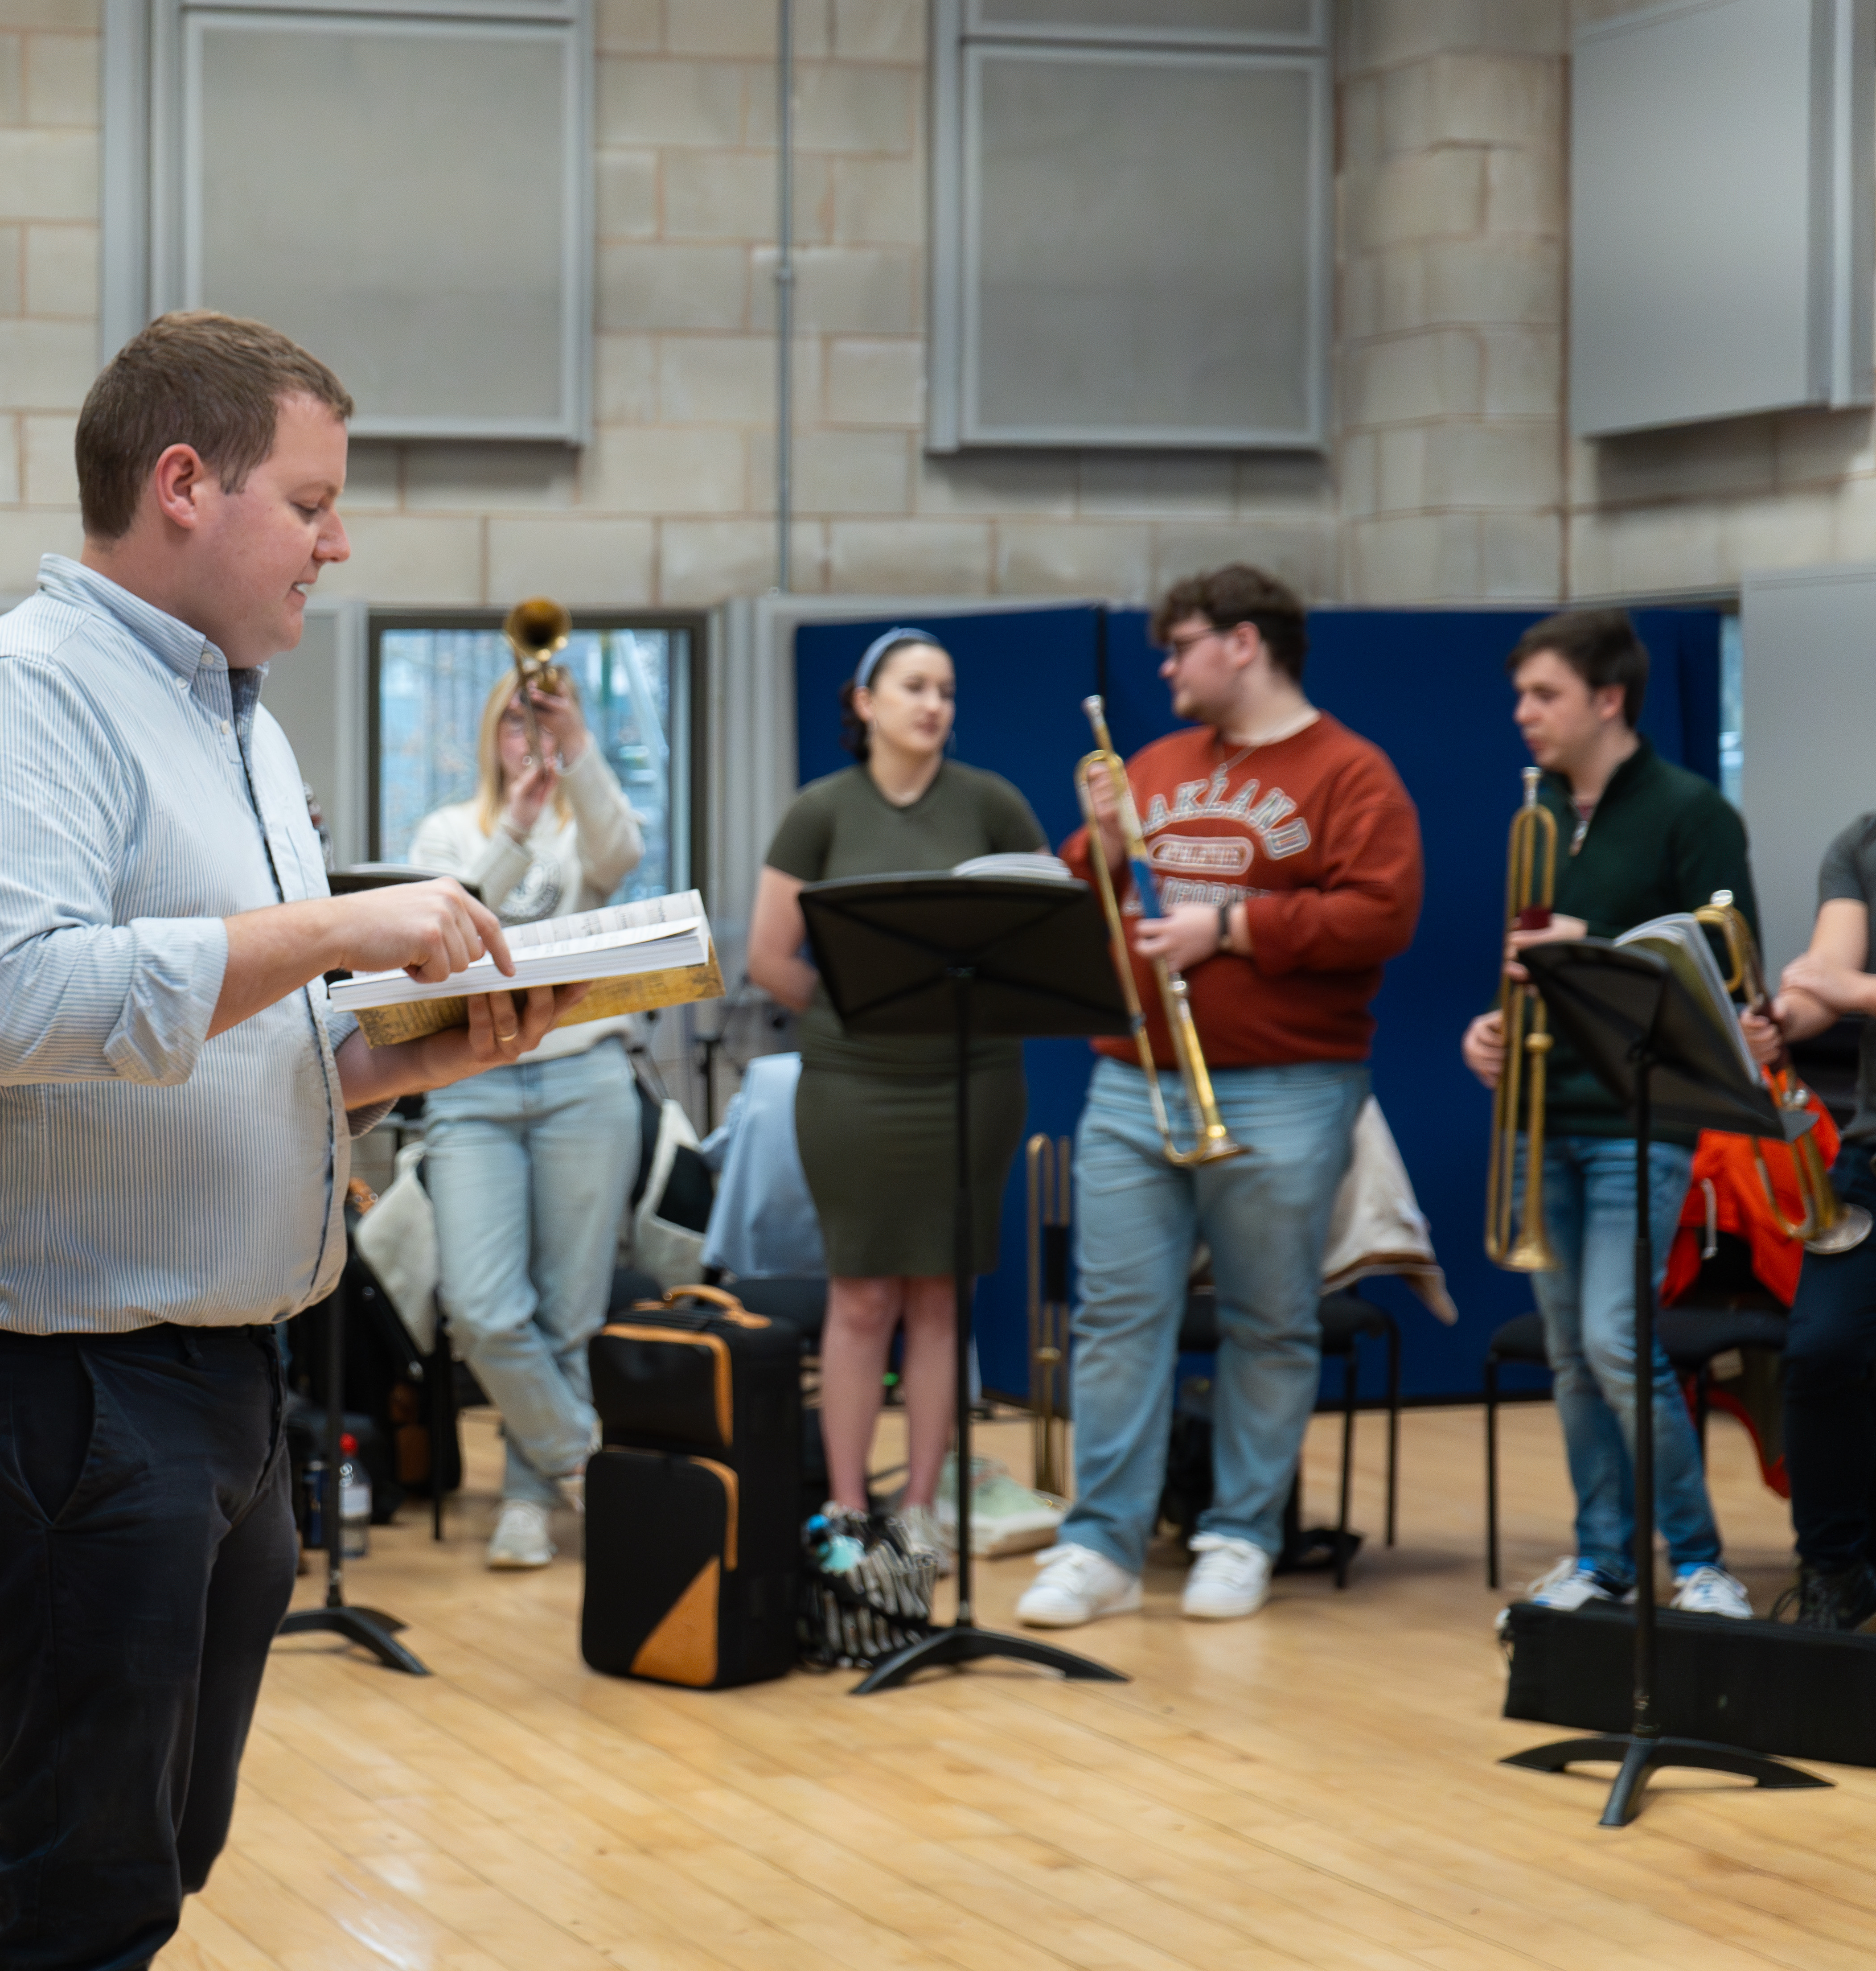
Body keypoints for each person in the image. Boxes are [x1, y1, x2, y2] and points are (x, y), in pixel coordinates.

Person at [0, 310, 580, 1968]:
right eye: (311, 501)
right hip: (62, 1378)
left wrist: (411, 1056)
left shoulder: (235, 720)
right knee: (84, 1884)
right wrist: (342, 933)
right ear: (181, 485)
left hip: (221, 1372)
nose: (338, 543)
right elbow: (19, 1002)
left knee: (161, 1850)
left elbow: (220, 1038)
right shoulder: (18, 701)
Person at [1017, 565, 1421, 1629]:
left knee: (1270, 1319)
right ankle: (1098, 1542)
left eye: (1181, 644)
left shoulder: (1352, 772)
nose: (1166, 665)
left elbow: (1381, 915)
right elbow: (1094, 894)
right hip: (1134, 1074)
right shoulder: (1154, 761)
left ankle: (1241, 1532)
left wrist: (1230, 928)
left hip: (1290, 1081)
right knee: (1114, 1316)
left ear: (1244, 643)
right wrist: (1095, 847)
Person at [1454, 608, 1761, 1620]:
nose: (1522, 714)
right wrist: (1491, 1030)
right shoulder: (1537, 807)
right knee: (1573, 1356)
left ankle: (1701, 1557)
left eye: (1543, 694)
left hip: (1643, 1115)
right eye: (1519, 695)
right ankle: (1602, 1558)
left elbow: (1724, 965)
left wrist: (1600, 945)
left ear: (1608, 698)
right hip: (1546, 1111)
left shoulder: (1689, 809)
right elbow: (1523, 968)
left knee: (1617, 1340)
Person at [746, 628, 1044, 1559]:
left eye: (947, 690)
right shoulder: (819, 809)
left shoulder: (994, 803)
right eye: (916, 686)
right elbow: (767, 957)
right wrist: (849, 1018)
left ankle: (919, 1510)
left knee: (942, 1296)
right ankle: (844, 1508)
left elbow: (1046, 930)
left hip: (972, 1080)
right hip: (855, 1085)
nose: (935, 705)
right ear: (866, 701)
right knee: (862, 1294)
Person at [404, 664, 644, 1571]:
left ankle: (528, 1499)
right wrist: (514, 825)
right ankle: (585, 1456)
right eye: (516, 721)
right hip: (476, 1083)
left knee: (567, 1313)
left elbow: (620, 858)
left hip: (585, 1078)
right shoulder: (446, 830)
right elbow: (451, 925)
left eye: (542, 722)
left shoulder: (588, 821)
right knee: (483, 1307)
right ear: (489, 736)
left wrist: (577, 747)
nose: (528, 737)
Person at [1756, 811, 1876, 1629]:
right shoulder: (1863, 844)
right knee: (1822, 1348)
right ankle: (1834, 1572)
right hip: (1871, 1161)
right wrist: (1783, 1019)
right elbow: (1826, 976)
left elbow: (1851, 987)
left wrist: (1856, 993)